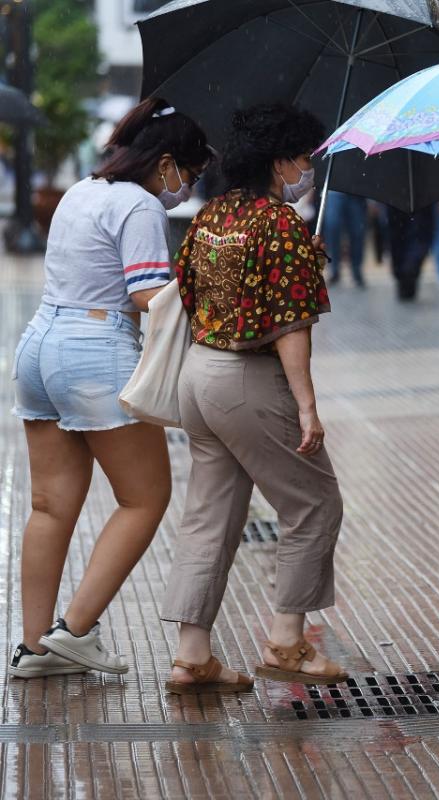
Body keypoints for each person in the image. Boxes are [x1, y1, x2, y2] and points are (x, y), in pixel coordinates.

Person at [8, 98, 210, 679]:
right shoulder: (139, 205)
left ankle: (34, 647)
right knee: (144, 499)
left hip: (39, 346)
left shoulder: (81, 190)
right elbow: (150, 298)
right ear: (165, 162)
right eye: (189, 175)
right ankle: (75, 631)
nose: (185, 187)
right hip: (95, 349)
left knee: (48, 505)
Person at [160, 103, 346, 694]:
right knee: (315, 503)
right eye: (304, 159)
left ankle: (192, 655)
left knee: (210, 514)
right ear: (281, 159)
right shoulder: (282, 224)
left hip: (199, 374)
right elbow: (292, 325)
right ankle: (287, 642)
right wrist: (308, 405)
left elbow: (185, 289)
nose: (308, 170)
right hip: (248, 381)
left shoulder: (212, 215)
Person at [322, 190, 367, 287]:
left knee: (357, 231)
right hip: (334, 191)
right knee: (332, 226)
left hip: (355, 192)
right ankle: (334, 269)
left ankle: (356, 269)